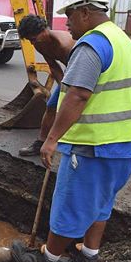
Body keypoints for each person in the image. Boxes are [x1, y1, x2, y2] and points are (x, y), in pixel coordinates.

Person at [11, 0, 131, 262]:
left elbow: (78, 95)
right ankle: (88, 260)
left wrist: (49, 140)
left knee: (70, 204)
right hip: (127, 144)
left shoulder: (90, 45)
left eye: (70, 15)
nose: (67, 23)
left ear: (85, 12)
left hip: (95, 146)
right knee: (100, 205)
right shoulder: (123, 41)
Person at [17, 15, 75, 156]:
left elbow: (78, 68)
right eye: (30, 40)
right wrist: (63, 87)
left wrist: (70, 92)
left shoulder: (65, 43)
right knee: (51, 106)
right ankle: (40, 143)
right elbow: (54, 67)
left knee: (73, 110)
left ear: (43, 30)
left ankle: (76, 147)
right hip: (68, 76)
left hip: (79, 75)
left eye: (33, 39)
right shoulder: (40, 44)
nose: (32, 43)